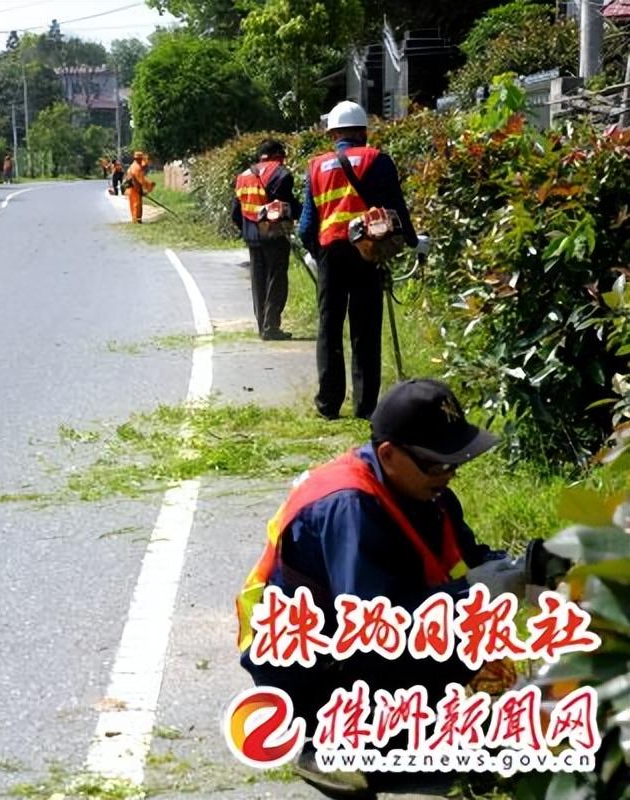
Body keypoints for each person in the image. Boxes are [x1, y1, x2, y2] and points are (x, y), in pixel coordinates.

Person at [235, 379, 524, 795]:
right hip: (311, 668)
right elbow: (373, 627)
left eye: (455, 461)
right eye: (437, 463)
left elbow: (466, 557)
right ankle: (331, 749)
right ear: (389, 455)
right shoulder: (349, 508)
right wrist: (472, 596)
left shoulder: (429, 493)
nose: (450, 471)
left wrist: (525, 570)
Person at [298, 101, 418, 420]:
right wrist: (413, 242)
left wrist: (316, 252)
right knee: (365, 329)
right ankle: (365, 406)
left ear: (332, 134)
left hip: (330, 254)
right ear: (364, 132)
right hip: (368, 251)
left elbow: (306, 225)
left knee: (329, 328)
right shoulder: (377, 160)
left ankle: (328, 403)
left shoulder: (315, 167)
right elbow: (397, 211)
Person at [231, 140, 302, 341]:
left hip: (252, 237)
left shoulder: (243, 176)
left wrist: (246, 230)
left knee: (258, 281)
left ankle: (262, 325)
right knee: (276, 279)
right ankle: (271, 325)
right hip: (274, 235)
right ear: (276, 154)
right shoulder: (281, 174)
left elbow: (236, 212)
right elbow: (286, 205)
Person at [123, 151, 155, 224]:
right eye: (140, 159)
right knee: (137, 204)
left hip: (132, 188)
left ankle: (135, 219)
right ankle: (137, 220)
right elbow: (141, 180)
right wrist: (149, 186)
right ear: (138, 159)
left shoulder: (133, 165)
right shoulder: (136, 167)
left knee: (134, 204)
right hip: (134, 188)